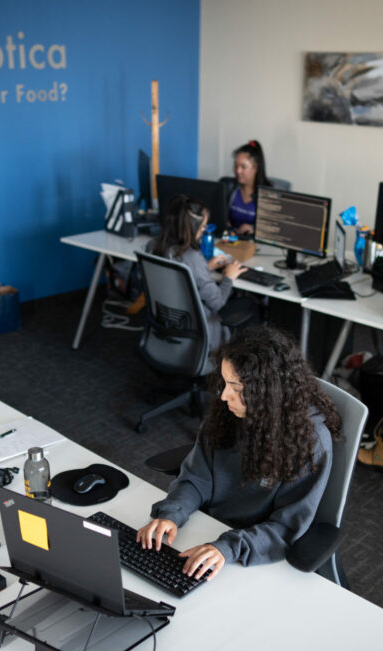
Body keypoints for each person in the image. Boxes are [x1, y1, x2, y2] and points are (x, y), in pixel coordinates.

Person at [136, 326, 342, 581]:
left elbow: (286, 527)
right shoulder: (228, 414)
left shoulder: (309, 442)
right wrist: (172, 513)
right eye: (225, 382)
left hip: (254, 551)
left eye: (236, 386)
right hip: (208, 532)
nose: (224, 396)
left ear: (268, 391)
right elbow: (198, 477)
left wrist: (228, 548)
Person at [149, 194, 256, 352]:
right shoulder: (192, 257)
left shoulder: (155, 247)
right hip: (202, 334)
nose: (204, 230)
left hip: (171, 326)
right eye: (203, 226)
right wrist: (228, 277)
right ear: (194, 229)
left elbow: (179, 277)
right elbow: (217, 302)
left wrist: (206, 267)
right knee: (252, 306)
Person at [227, 140, 271, 237]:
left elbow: (273, 229)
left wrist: (254, 230)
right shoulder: (230, 187)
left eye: (243, 167)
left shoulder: (268, 194)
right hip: (231, 240)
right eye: (236, 165)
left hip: (255, 244)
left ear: (256, 168)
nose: (238, 171)